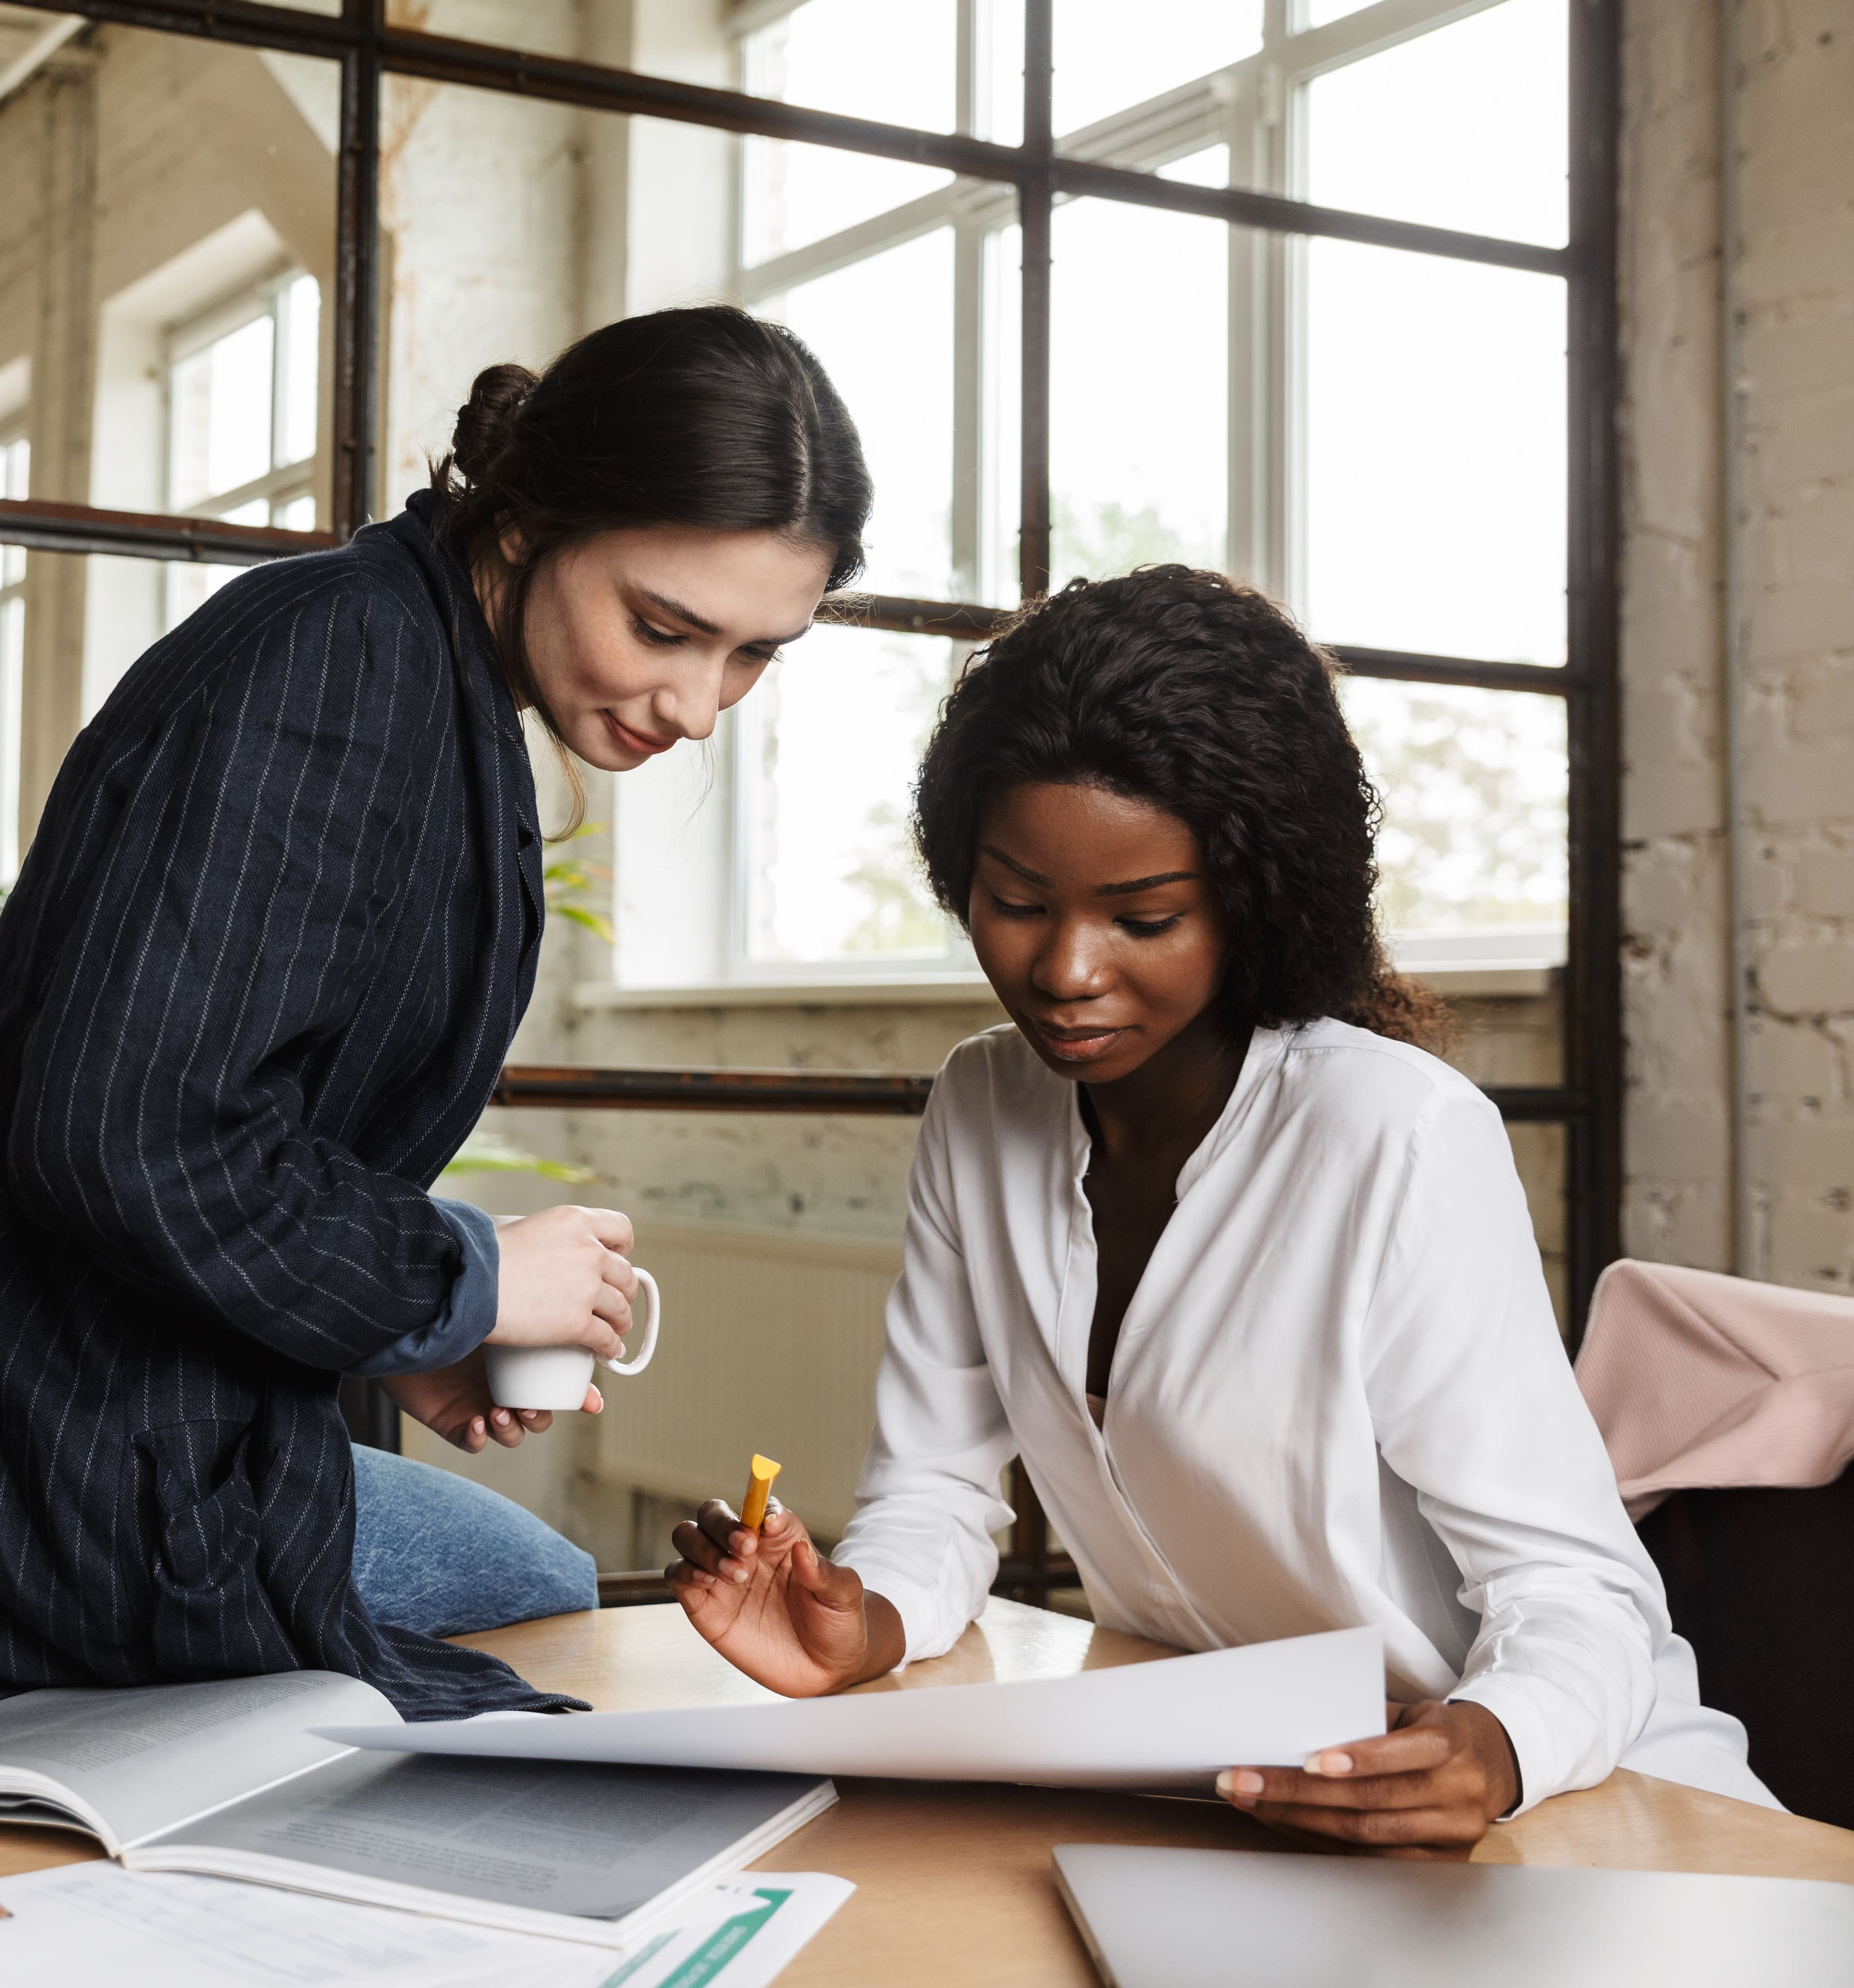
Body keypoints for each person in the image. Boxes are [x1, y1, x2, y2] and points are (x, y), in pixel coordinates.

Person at [0, 307, 874, 1718]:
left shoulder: (427, 677)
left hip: (95, 1423)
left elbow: (213, 1113)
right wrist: (468, 1276)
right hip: (14, 1462)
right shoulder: (338, 673)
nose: (697, 704)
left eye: (751, 656)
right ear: (528, 517)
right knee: (535, 1706)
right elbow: (128, 1134)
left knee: (531, 1594)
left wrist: (402, 1336)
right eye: (663, 627)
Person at [669, 568, 1773, 1848]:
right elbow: (936, 1491)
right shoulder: (981, 1105)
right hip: (1248, 1793)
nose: (1066, 972)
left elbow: (1577, 1591)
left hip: (1579, 1806)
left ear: (1252, 896)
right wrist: (860, 1623)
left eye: (1144, 918)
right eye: (1018, 903)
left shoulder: (1395, 1136)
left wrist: (1495, 1742)